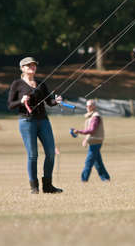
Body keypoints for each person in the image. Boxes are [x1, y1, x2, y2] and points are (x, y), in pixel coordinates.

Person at [7, 57, 63, 194]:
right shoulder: (17, 84)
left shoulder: (41, 84)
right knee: (33, 155)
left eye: (34, 65)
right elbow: (10, 105)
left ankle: (48, 186)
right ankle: (34, 187)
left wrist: (56, 101)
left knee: (50, 153)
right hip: (26, 122)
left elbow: (49, 102)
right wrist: (21, 101)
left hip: (43, 121)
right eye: (29, 65)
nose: (32, 67)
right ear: (22, 68)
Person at [72, 99, 111, 182]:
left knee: (88, 162)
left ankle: (84, 179)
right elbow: (90, 132)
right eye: (87, 106)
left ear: (94, 106)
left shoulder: (95, 116)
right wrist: (86, 139)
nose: (88, 107)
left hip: (96, 141)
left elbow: (92, 130)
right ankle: (105, 178)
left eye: (89, 106)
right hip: (93, 141)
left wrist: (79, 131)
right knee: (97, 162)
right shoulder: (90, 116)